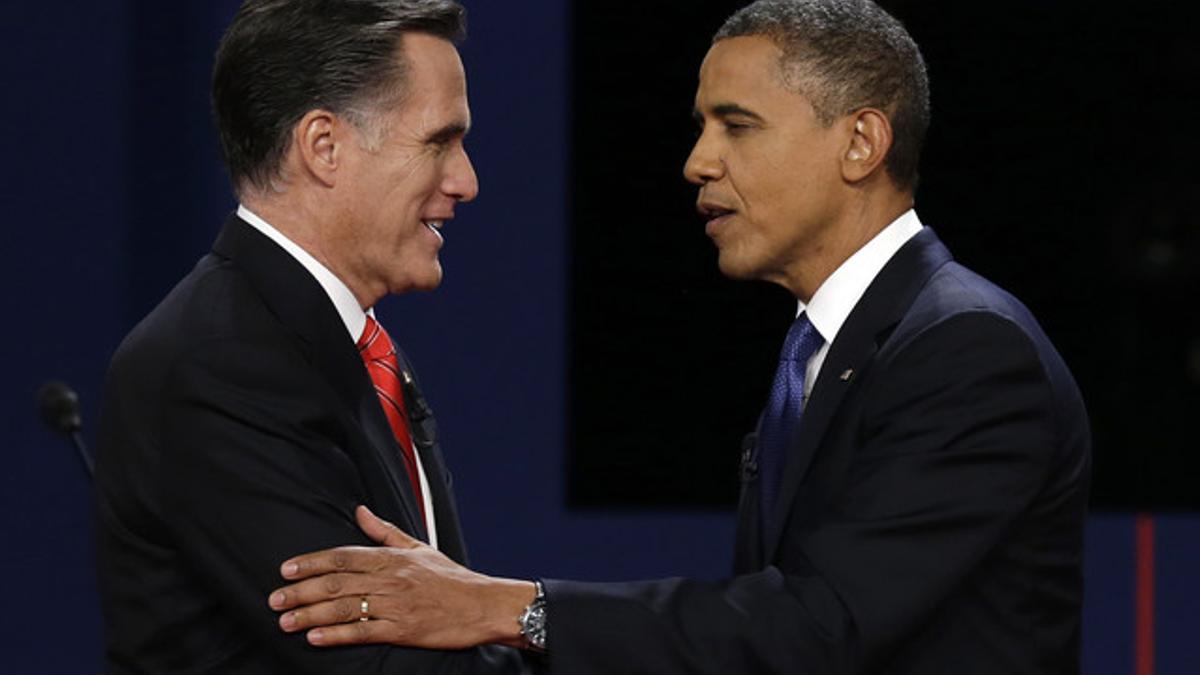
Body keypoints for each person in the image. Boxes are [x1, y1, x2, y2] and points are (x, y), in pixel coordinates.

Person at [266, 0, 1092, 673]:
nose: (698, 161)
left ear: (861, 142)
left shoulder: (967, 350)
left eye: (737, 126)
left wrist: (513, 606)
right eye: (701, 127)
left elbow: (822, 625)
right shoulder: (830, 349)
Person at [93, 1, 537, 672]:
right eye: (439, 141)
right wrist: (565, 626)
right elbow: (384, 661)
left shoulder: (330, 344)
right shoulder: (217, 363)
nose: (465, 181)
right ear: (324, 146)